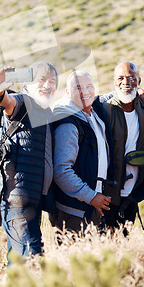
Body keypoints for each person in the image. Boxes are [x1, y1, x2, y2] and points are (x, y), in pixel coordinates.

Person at [0, 61, 58, 263]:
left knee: (19, 256)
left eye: (52, 81)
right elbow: (6, 103)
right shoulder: (23, 101)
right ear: (28, 83)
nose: (47, 85)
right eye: (42, 79)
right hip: (15, 196)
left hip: (31, 196)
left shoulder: (45, 111)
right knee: (31, 254)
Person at [102, 61, 144, 230]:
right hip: (105, 191)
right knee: (104, 242)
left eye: (131, 78)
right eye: (120, 78)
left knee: (125, 241)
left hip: (134, 191)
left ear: (139, 81)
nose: (126, 82)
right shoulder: (104, 108)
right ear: (114, 81)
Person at [52, 71, 114, 233]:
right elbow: (61, 171)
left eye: (89, 86)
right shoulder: (68, 124)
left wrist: (139, 91)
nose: (85, 92)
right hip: (73, 210)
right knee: (74, 257)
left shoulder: (94, 113)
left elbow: (108, 96)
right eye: (78, 88)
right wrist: (91, 196)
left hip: (92, 205)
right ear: (67, 93)